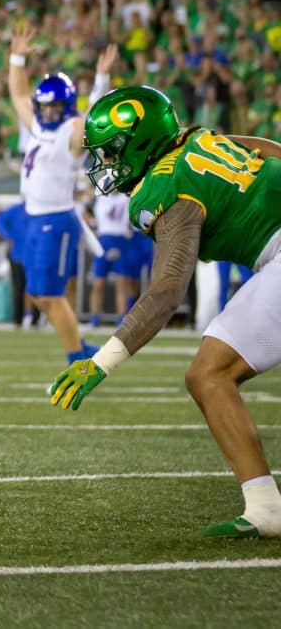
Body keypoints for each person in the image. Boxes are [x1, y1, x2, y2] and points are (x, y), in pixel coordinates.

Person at [49, 85, 281, 538]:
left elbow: (167, 291)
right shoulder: (199, 137)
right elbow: (266, 149)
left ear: (140, 141)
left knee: (209, 375)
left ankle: (266, 507)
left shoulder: (163, 186)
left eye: (113, 150)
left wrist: (102, 361)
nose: (107, 163)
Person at [8, 25, 116, 362]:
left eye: (56, 106)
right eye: (46, 106)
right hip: (33, 217)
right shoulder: (38, 125)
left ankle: (77, 359)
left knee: (51, 296)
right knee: (38, 295)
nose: (49, 111)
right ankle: (80, 348)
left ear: (67, 106)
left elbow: (94, 120)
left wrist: (100, 81)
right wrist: (17, 58)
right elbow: (18, 94)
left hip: (55, 219)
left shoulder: (72, 131)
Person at [88, 191, 141, 326]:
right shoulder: (99, 197)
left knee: (122, 283)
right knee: (98, 283)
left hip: (121, 240)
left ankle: (121, 317)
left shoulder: (126, 198)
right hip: (103, 240)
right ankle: (94, 317)